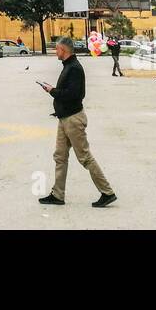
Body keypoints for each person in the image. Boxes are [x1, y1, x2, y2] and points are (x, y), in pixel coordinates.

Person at [37, 37, 117, 208]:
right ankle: (58, 195)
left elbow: (74, 95)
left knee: (84, 157)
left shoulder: (74, 68)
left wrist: (53, 91)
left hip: (73, 119)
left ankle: (107, 192)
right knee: (60, 156)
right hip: (64, 118)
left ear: (64, 50)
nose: (55, 52)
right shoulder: (68, 66)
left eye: (57, 49)